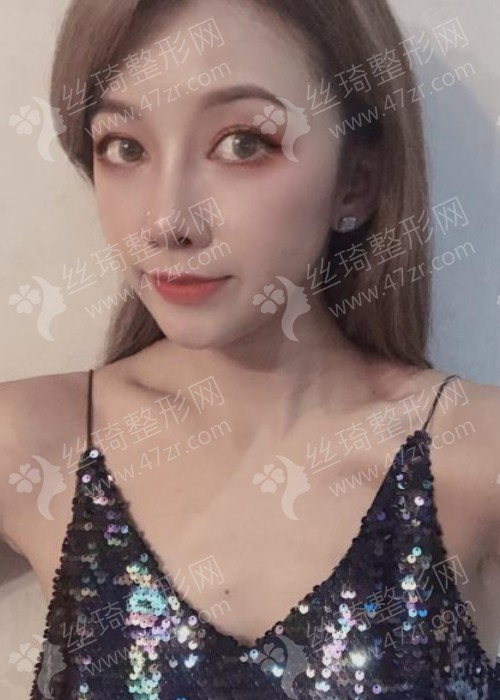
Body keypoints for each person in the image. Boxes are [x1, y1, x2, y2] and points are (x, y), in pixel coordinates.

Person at [0, 0, 499, 697]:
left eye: (242, 143)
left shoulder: (477, 457)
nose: (167, 222)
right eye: (125, 147)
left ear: (356, 180)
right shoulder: (30, 444)